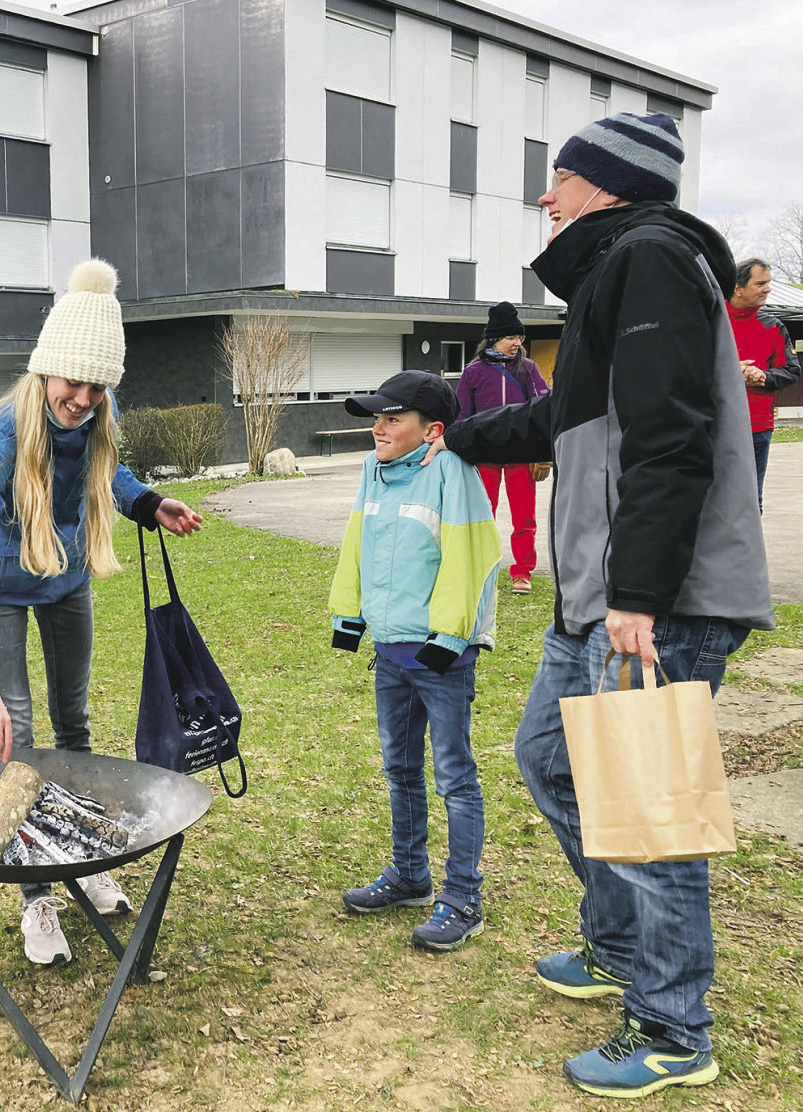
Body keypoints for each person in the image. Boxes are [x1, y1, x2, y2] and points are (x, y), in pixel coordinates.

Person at [429, 113, 773, 1097]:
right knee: (549, 759)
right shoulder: (609, 281)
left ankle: (673, 1027)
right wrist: (455, 434)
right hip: (593, 594)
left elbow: (672, 440)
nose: (549, 194)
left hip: (651, 599)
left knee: (649, 809)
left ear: (612, 184)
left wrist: (638, 597)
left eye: (563, 177)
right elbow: (557, 418)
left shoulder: (655, 259)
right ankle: (620, 944)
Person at [0, 258, 203, 967]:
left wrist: (148, 504)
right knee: (18, 741)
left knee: (74, 723)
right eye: (71, 382)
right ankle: (35, 897)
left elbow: (107, 475)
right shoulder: (0, 437)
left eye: (95, 385)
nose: (81, 398)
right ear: (46, 371)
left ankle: (81, 860)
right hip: (0, 594)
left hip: (65, 582)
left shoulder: (97, 420)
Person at [330, 371, 499, 953]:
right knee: (400, 768)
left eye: (391, 418)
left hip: (440, 657)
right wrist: (348, 617)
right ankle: (410, 876)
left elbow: (473, 555)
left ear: (432, 430)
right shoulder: (372, 471)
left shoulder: (453, 472)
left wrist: (450, 638)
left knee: (454, 777)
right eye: (375, 417)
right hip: (391, 651)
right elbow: (356, 542)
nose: (377, 427)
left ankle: (463, 897)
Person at [454, 302, 550, 594]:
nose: (517, 343)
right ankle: (482, 570)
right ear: (494, 338)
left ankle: (522, 573)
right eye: (511, 337)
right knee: (484, 516)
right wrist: (461, 454)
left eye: (519, 338)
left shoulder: (528, 369)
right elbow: (461, 417)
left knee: (525, 518)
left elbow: (546, 410)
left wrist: (543, 455)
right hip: (486, 457)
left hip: (521, 456)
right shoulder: (473, 373)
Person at [728, 257, 800, 511]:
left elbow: (792, 370)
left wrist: (764, 377)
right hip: (713, 426)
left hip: (757, 427)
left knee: (750, 502)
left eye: (768, 283)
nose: (768, 289)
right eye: (761, 283)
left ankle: (748, 552)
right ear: (738, 288)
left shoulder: (773, 326)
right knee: (711, 501)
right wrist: (728, 372)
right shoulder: (708, 323)